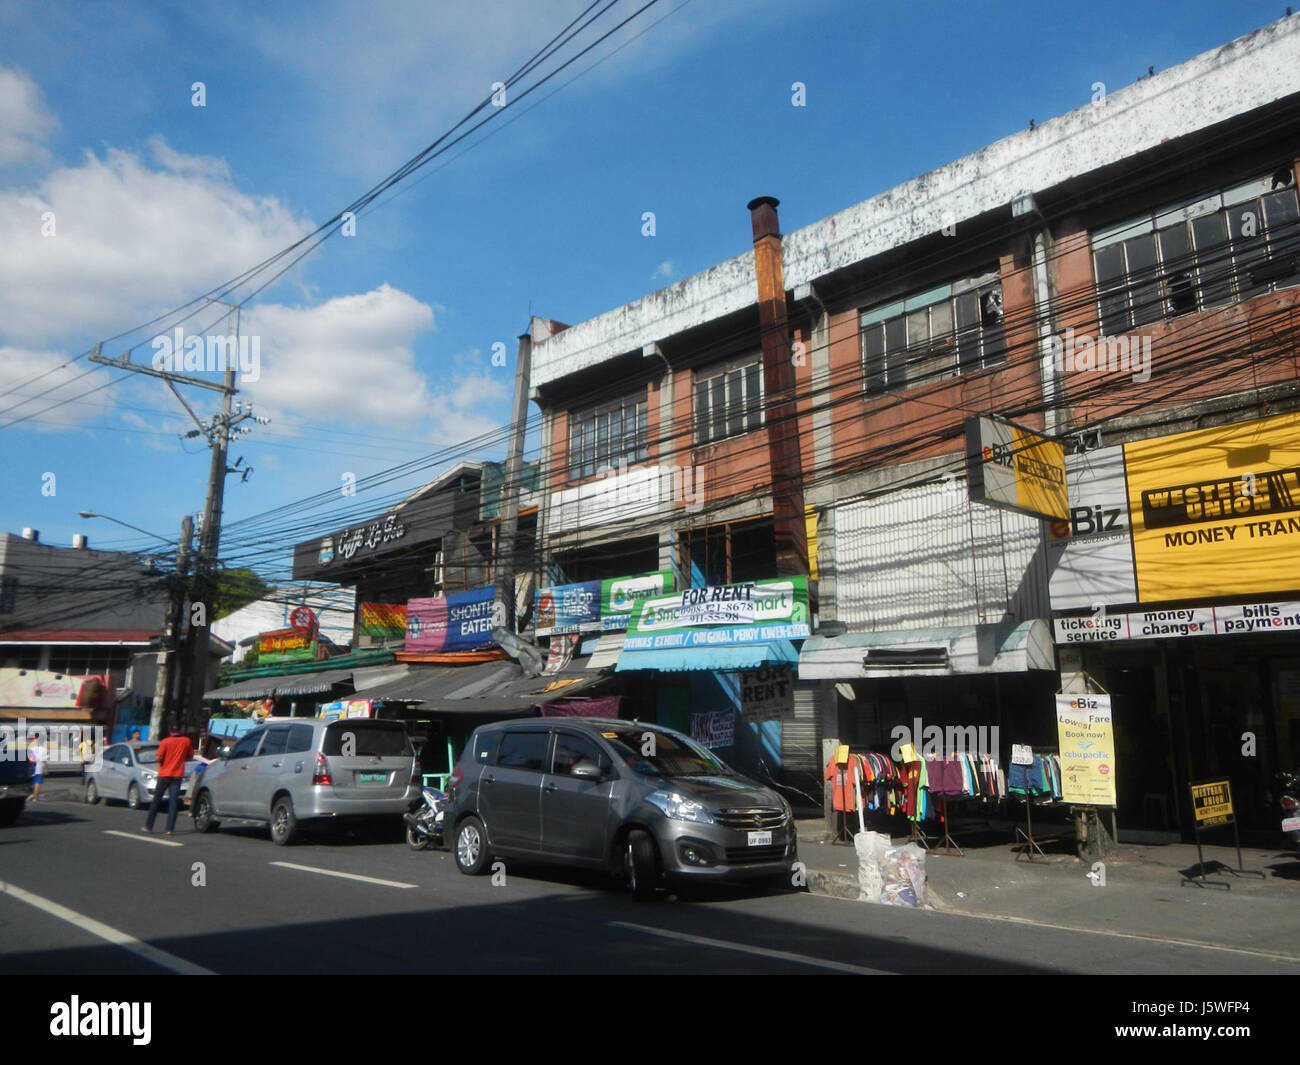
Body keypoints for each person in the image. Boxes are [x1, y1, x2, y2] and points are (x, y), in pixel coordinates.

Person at [142, 723, 194, 835]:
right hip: (177, 775)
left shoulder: (165, 742)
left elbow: (158, 758)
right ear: (179, 730)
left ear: (170, 730)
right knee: (173, 802)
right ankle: (169, 829)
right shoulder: (186, 741)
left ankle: (148, 826)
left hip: (164, 774)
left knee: (156, 800)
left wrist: (160, 767)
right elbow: (190, 756)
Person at [28, 732, 48, 802]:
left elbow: (29, 759)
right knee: (37, 783)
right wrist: (45, 769)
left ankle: (31, 794)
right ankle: (34, 797)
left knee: (31, 782)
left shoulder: (31, 749)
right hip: (39, 768)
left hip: (31, 767)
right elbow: (44, 760)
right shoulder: (44, 750)